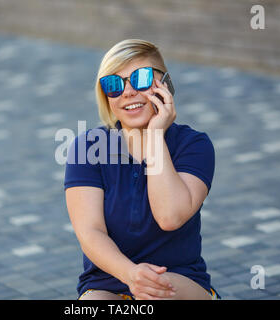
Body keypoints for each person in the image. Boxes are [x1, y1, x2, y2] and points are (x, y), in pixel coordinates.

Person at [64, 39, 219, 300]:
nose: (127, 92)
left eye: (141, 78)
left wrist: (155, 135)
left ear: (165, 84)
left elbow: (170, 217)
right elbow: (90, 232)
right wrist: (130, 274)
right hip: (107, 281)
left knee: (156, 293)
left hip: (179, 279)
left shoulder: (194, 145)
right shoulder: (87, 147)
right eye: (113, 84)